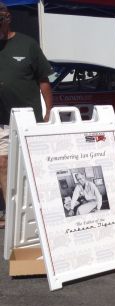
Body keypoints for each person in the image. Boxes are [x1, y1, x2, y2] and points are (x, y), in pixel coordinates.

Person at [0, 1, 53, 229]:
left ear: (7, 17)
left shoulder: (27, 44)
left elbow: (44, 81)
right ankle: (12, 212)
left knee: (33, 165)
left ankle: (40, 209)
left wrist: (48, 113)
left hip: (28, 119)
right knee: (2, 164)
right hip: (1, 122)